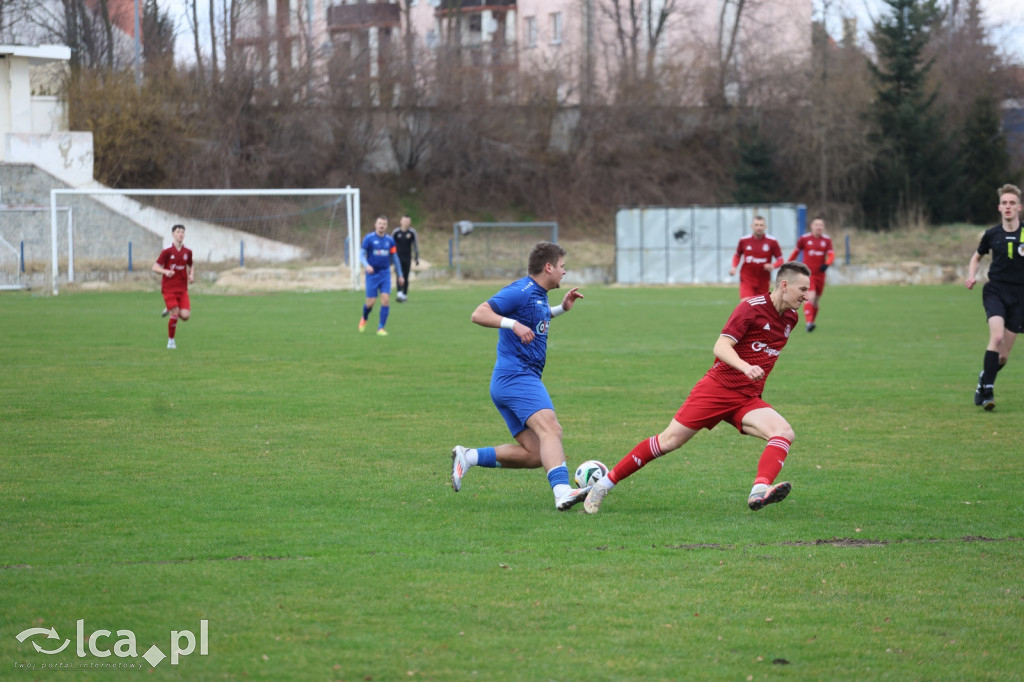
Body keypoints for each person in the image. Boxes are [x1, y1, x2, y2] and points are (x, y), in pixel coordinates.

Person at [583, 261, 812, 515]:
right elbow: (721, 347)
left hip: (747, 398)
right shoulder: (750, 308)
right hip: (717, 389)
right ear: (784, 285)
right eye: (802, 289)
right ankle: (601, 486)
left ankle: (759, 490)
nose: (806, 295)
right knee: (668, 441)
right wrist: (745, 367)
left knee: (783, 432)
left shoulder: (791, 318)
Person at [450, 241, 589, 511]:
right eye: (562, 267)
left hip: (510, 381)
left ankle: (469, 456)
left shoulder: (537, 295)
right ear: (548, 267)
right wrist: (512, 324)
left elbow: (536, 315)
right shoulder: (521, 290)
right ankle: (562, 492)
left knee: (536, 454)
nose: (564, 272)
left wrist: (561, 308)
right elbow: (479, 314)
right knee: (552, 429)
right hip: (517, 376)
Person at [965, 183, 1024, 411]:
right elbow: (976, 258)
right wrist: (971, 276)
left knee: (1003, 357)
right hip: (996, 291)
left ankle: (982, 381)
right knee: (996, 337)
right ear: (999, 208)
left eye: (1012, 203)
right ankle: (988, 390)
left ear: (1019, 207)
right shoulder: (992, 234)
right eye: (1004, 203)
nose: (1008, 207)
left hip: (1020, 296)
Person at [358, 215, 404, 336]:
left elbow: (395, 257)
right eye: (380, 223)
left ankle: (381, 328)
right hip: (372, 275)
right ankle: (364, 318)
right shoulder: (369, 238)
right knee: (370, 302)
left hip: (385, 273)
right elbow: (361, 255)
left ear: (386, 226)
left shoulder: (390, 240)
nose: (381, 226)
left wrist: (400, 274)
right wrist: (367, 265)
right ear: (375, 225)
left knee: (385, 299)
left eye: (384, 224)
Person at [788, 216, 835, 332]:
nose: (819, 227)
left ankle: (811, 321)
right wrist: (788, 264)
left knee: (816, 300)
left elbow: (831, 255)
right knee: (811, 296)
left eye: (821, 225)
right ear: (812, 226)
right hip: (807, 274)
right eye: (816, 225)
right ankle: (809, 322)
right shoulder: (804, 239)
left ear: (823, 227)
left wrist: (827, 263)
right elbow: (796, 251)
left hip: (820, 275)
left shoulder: (826, 240)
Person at [152, 224, 194, 350]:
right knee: (175, 312)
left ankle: (169, 309)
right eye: (178, 232)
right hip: (168, 288)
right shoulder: (167, 250)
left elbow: (191, 265)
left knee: (186, 316)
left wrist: (191, 275)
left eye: (182, 232)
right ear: (173, 234)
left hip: (182, 289)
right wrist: (166, 272)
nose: (180, 234)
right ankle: (171, 341)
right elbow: (155, 267)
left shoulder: (188, 251)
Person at [729, 215, 783, 299]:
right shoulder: (744, 240)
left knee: (760, 308)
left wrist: (772, 266)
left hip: (763, 281)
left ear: (765, 227)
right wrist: (733, 267)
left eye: (761, 225)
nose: (759, 227)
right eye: (756, 225)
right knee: (746, 304)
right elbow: (737, 255)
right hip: (747, 278)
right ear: (752, 226)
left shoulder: (772, 241)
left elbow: (780, 259)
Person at [391, 214, 419, 303]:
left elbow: (415, 245)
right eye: (404, 221)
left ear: (410, 222)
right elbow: (390, 245)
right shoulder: (395, 232)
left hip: (407, 257)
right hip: (397, 258)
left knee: (406, 276)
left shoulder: (412, 232)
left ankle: (404, 294)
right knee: (399, 275)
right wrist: (390, 258)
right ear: (401, 221)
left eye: (408, 221)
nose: (406, 223)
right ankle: (399, 293)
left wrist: (416, 257)